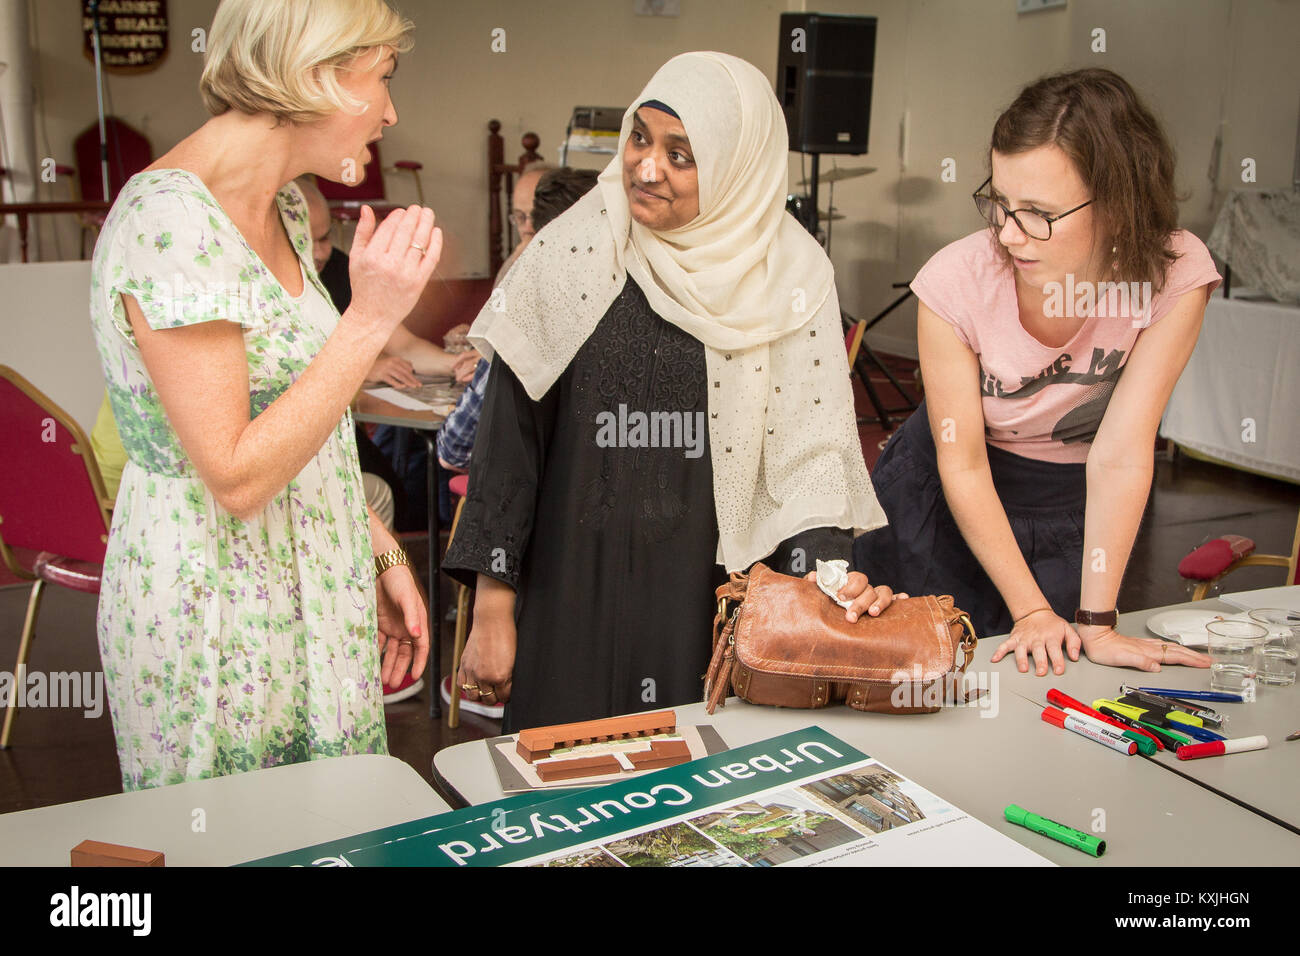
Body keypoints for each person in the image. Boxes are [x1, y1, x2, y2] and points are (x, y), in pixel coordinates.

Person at [443, 52, 897, 733]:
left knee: (695, 804)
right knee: (559, 797)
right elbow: (509, 448)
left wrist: (822, 587)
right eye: (640, 137)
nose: (646, 167)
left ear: (736, 168)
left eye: (680, 154)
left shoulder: (790, 278)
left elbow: (813, 460)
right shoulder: (571, 253)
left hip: (710, 610)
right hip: (568, 596)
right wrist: (492, 611)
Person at [88, 0, 434, 790]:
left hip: (316, 578)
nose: (389, 111)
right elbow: (237, 474)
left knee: (330, 825)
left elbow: (302, 406)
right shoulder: (169, 224)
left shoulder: (281, 204)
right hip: (215, 604)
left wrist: (374, 545)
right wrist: (370, 317)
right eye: (380, 80)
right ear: (314, 77)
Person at [852, 68, 1218, 677]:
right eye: (999, 203)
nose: (1007, 234)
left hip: (1069, 500)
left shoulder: (1175, 275)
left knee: (1054, 676)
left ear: (1120, 202)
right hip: (948, 490)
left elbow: (1122, 454)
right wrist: (1030, 611)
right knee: (929, 678)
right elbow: (962, 461)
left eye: (1038, 213)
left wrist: (1096, 623)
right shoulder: (955, 281)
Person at [437, 167, 599, 474]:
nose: (527, 230)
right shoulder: (513, 267)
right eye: (519, 218)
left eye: (533, 219)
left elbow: (454, 449)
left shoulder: (530, 296)